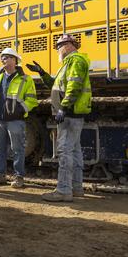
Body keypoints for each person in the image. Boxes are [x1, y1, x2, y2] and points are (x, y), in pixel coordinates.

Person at [28, 35, 91, 202]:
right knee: (75, 151)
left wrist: (64, 107)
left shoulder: (75, 61)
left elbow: (74, 86)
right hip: (72, 114)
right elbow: (56, 85)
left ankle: (64, 190)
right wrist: (42, 73)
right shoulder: (67, 64)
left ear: (68, 45)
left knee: (64, 151)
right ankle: (76, 188)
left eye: (59, 46)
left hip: (70, 115)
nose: (57, 50)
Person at [0, 48, 38, 188]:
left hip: (15, 120)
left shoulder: (25, 79)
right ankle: (0, 175)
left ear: (15, 61)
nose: (4, 59)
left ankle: (19, 177)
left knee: (18, 149)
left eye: (8, 57)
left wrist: (20, 110)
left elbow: (32, 100)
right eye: (3, 57)